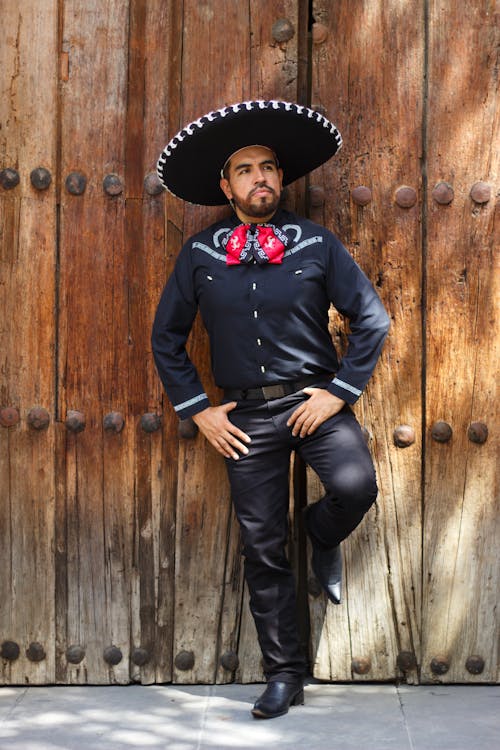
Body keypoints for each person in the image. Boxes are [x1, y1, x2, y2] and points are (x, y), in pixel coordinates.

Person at [152, 100, 390, 719]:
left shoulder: (315, 241)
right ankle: (285, 674)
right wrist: (199, 410)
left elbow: (371, 319)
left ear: (280, 180)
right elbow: (166, 338)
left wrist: (339, 392)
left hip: (316, 401)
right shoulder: (200, 255)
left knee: (355, 487)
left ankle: (319, 531)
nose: (261, 178)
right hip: (246, 420)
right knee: (261, 546)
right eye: (246, 169)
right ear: (225, 185)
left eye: (269, 168)